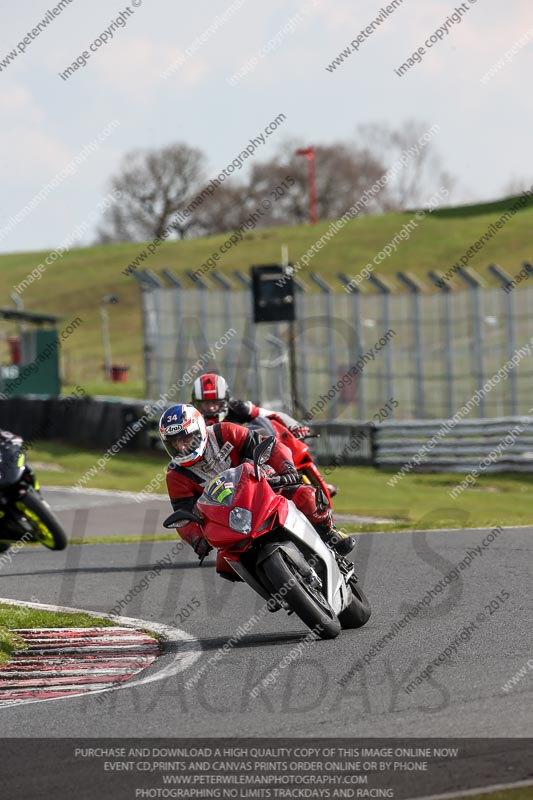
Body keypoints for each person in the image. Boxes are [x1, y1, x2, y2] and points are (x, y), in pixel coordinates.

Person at [160, 404, 355, 580]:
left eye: (186, 438)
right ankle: (273, 584)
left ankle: (329, 532)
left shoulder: (223, 431)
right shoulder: (175, 476)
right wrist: (196, 539)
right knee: (226, 565)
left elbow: (270, 445)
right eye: (175, 443)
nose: (183, 446)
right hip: (231, 520)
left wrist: (287, 469)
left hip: (265, 489)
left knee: (306, 497)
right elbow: (183, 515)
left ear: (199, 431)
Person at [191, 373, 310, 438]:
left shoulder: (238, 407)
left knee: (263, 421)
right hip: (212, 466)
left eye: (215, 403)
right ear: (197, 403)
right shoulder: (189, 416)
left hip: (244, 457)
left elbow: (271, 415)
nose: (211, 407)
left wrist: (294, 425)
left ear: (224, 400)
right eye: (206, 403)